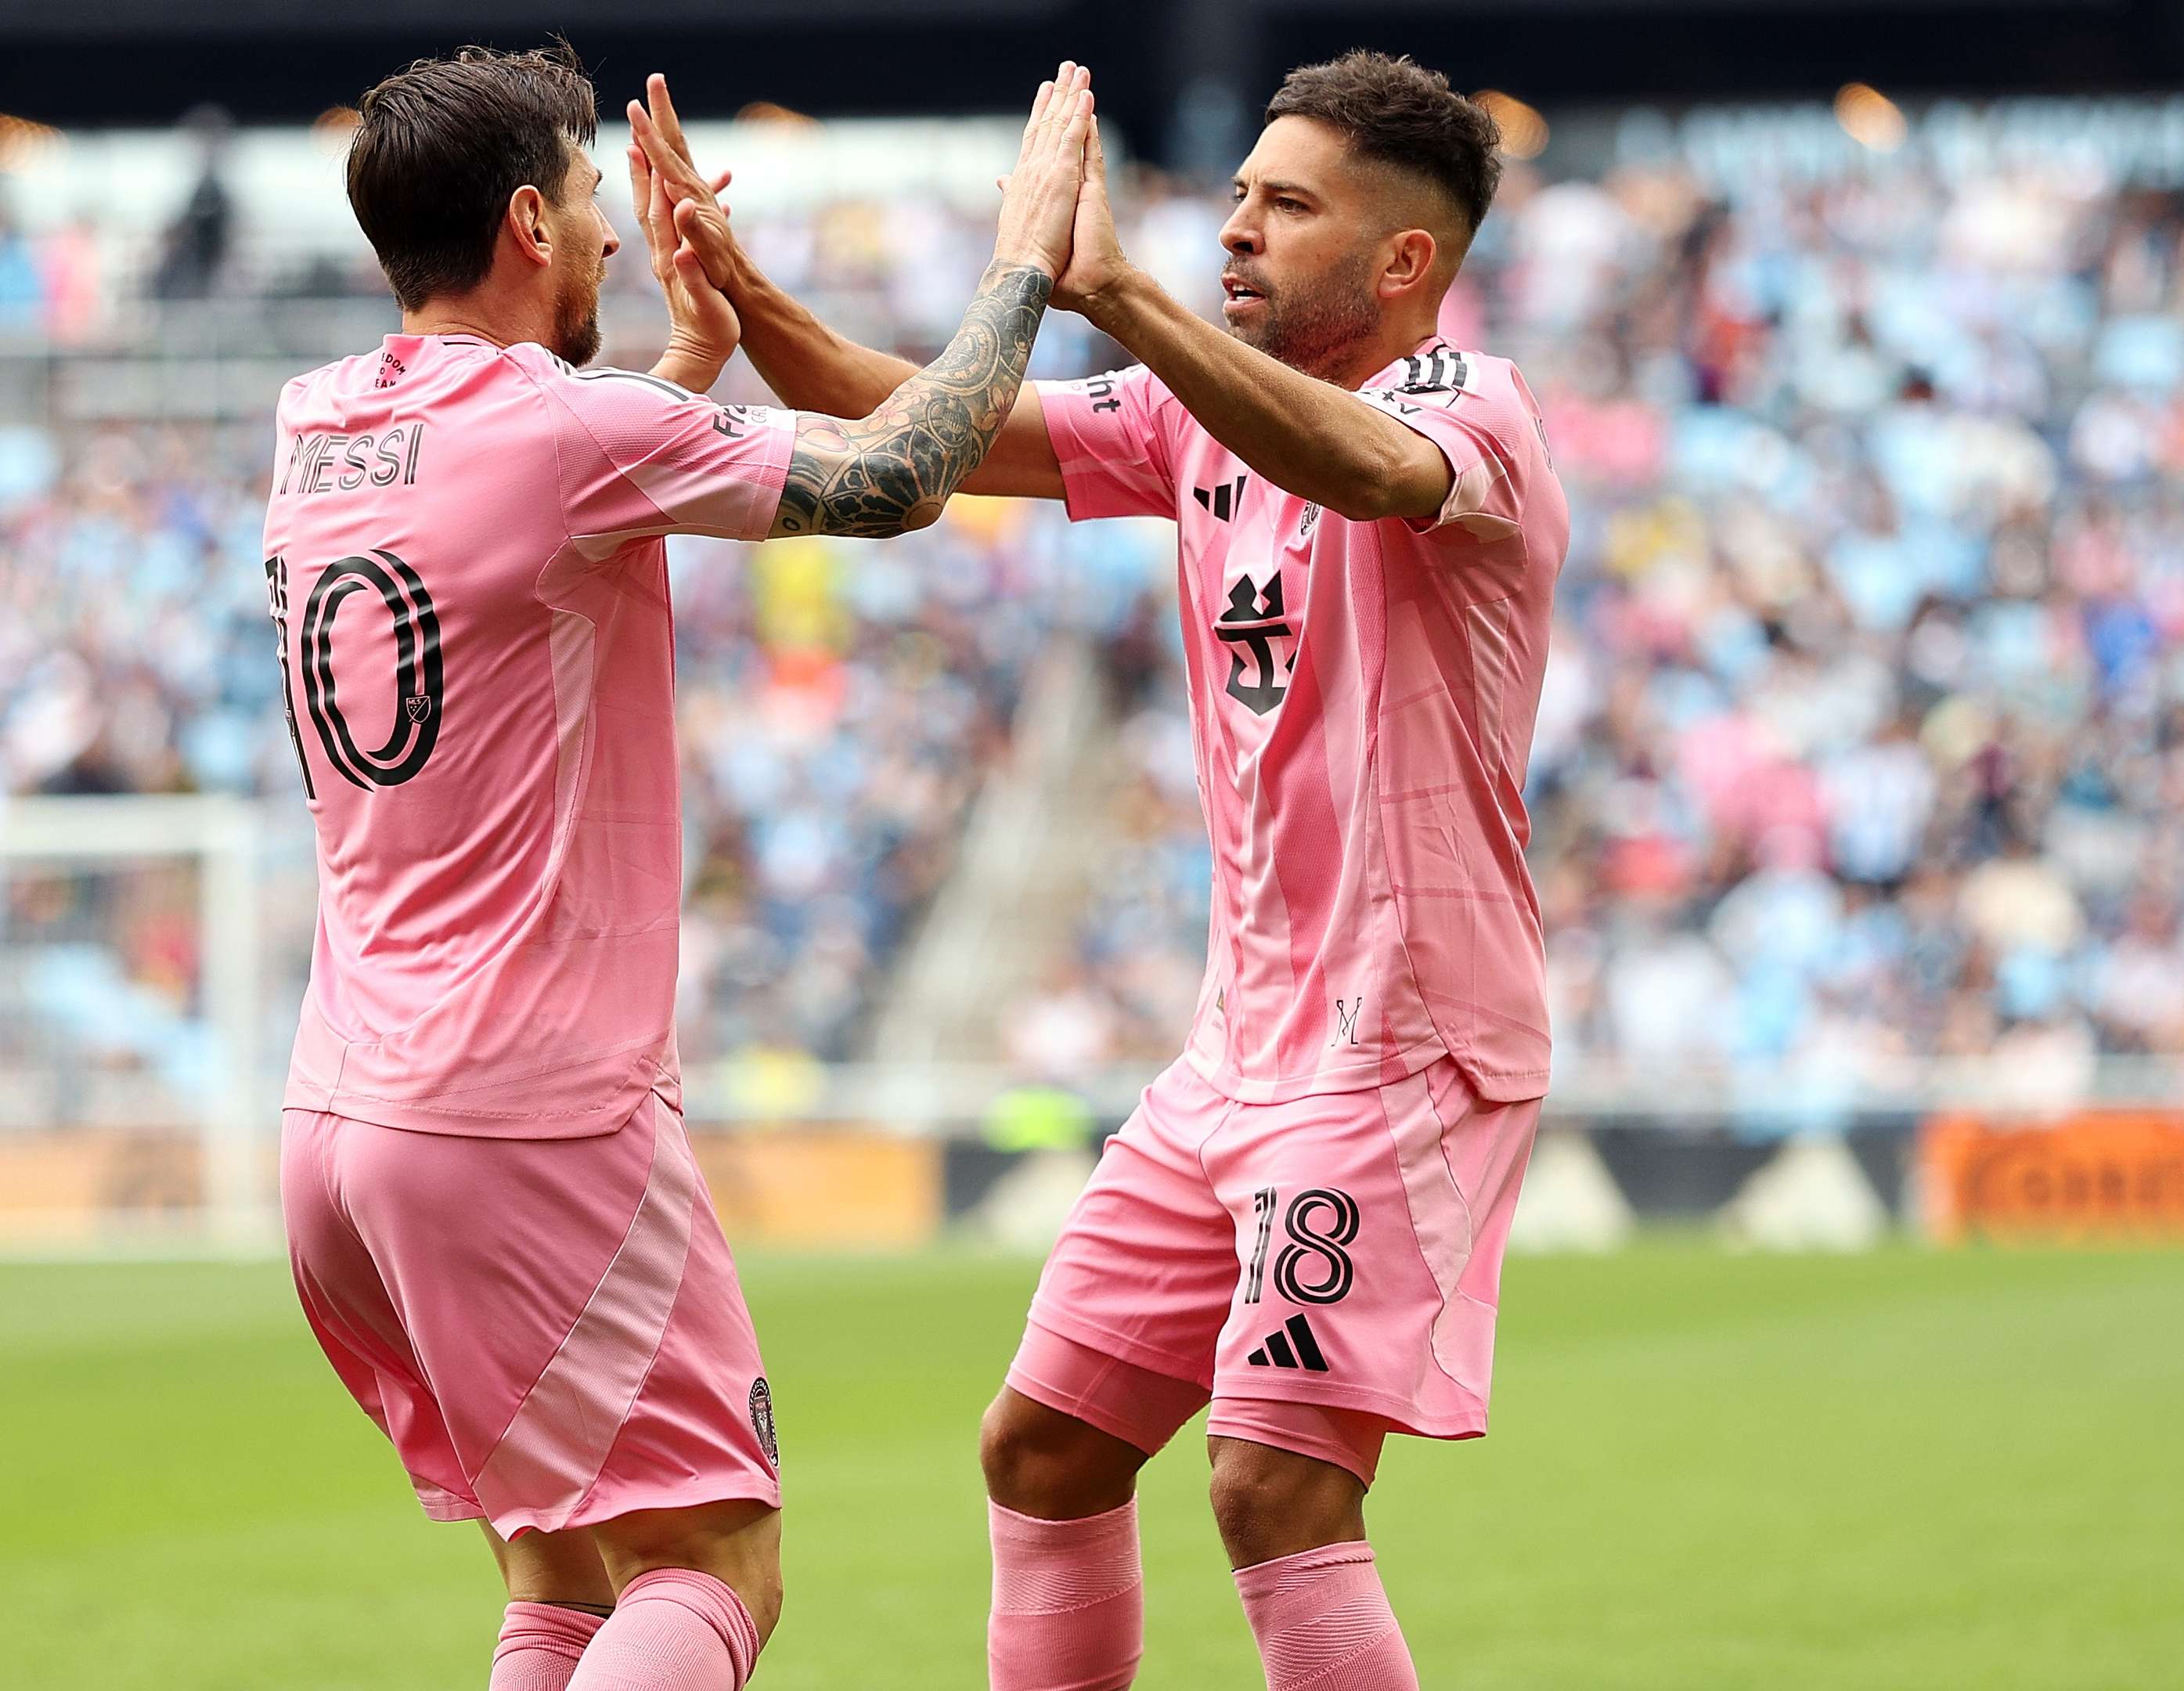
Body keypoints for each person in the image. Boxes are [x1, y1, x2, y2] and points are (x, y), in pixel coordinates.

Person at [632, 49, 1567, 1691]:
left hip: (1400, 1050)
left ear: (1404, 260)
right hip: (1239, 1057)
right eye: (1234, 202)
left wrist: (1119, 289)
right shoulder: (1186, 418)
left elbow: (1357, 471)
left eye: (1287, 208)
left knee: (1277, 1488)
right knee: (1044, 1449)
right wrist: (742, 283)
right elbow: (908, 410)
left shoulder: (1467, 410)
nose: (1238, 234)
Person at [266, 43, 1094, 1691]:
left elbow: (534, 487)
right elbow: (902, 476)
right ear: (525, 220)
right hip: (527, 1109)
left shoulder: (319, 422)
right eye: (588, 205)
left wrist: (695, 355)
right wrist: (1025, 260)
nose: (612, 234)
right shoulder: (565, 432)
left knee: (566, 1572)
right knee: (717, 1560)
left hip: (341, 1123)